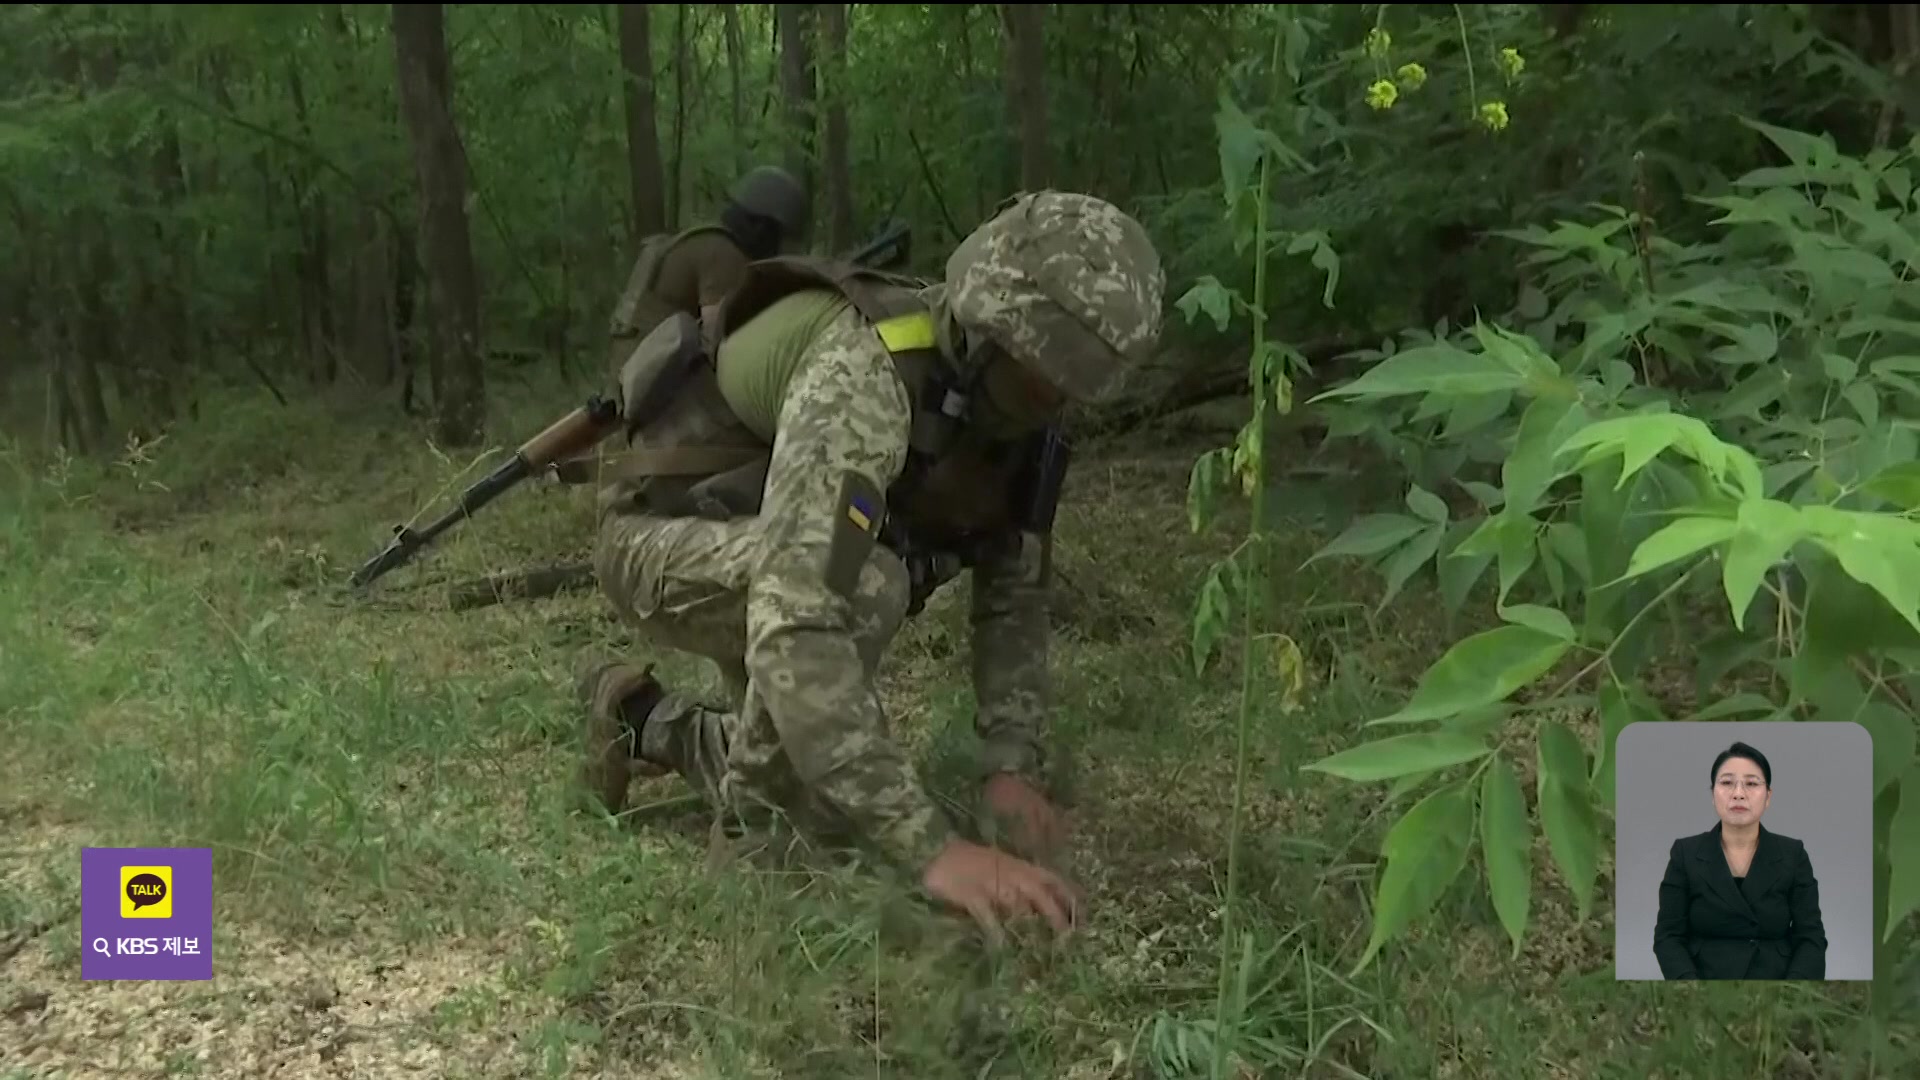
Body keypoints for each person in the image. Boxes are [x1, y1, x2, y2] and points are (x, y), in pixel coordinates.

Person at [573, 189, 1165, 945]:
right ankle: (756, 849)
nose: (1052, 407)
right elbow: (799, 621)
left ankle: (638, 718)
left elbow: (1014, 588)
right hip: (661, 536)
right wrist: (933, 848)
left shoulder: (1010, 407)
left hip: (766, 540)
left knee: (797, 741)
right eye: (1040, 383)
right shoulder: (867, 375)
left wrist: (1009, 766)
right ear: (987, 338)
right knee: (866, 587)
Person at [604, 165, 811, 376]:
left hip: (630, 370)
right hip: (649, 380)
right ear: (763, 228)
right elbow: (718, 344)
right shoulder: (725, 255)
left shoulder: (704, 241)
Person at [1651, 741, 1827, 979]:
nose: (1738, 793)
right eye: (1726, 783)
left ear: (1768, 796)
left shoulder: (1792, 854)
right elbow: (1668, 936)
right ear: (1713, 793)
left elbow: (1811, 937)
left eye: (1752, 783)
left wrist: (1793, 989)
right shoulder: (1686, 852)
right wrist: (1689, 987)